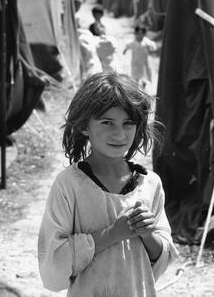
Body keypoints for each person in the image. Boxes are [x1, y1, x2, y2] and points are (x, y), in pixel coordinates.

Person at [38, 72, 178, 297]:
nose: (119, 134)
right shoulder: (70, 185)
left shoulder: (150, 184)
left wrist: (147, 233)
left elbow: (161, 259)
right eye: (107, 122)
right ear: (85, 126)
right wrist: (112, 234)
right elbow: (52, 269)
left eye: (128, 123)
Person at [123, 24, 157, 88]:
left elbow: (153, 47)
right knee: (135, 77)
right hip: (135, 63)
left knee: (144, 76)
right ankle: (136, 89)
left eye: (141, 33)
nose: (140, 35)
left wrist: (151, 48)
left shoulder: (146, 41)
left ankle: (143, 87)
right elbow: (128, 46)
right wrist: (125, 51)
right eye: (138, 33)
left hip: (144, 63)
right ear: (135, 33)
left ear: (144, 34)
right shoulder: (133, 42)